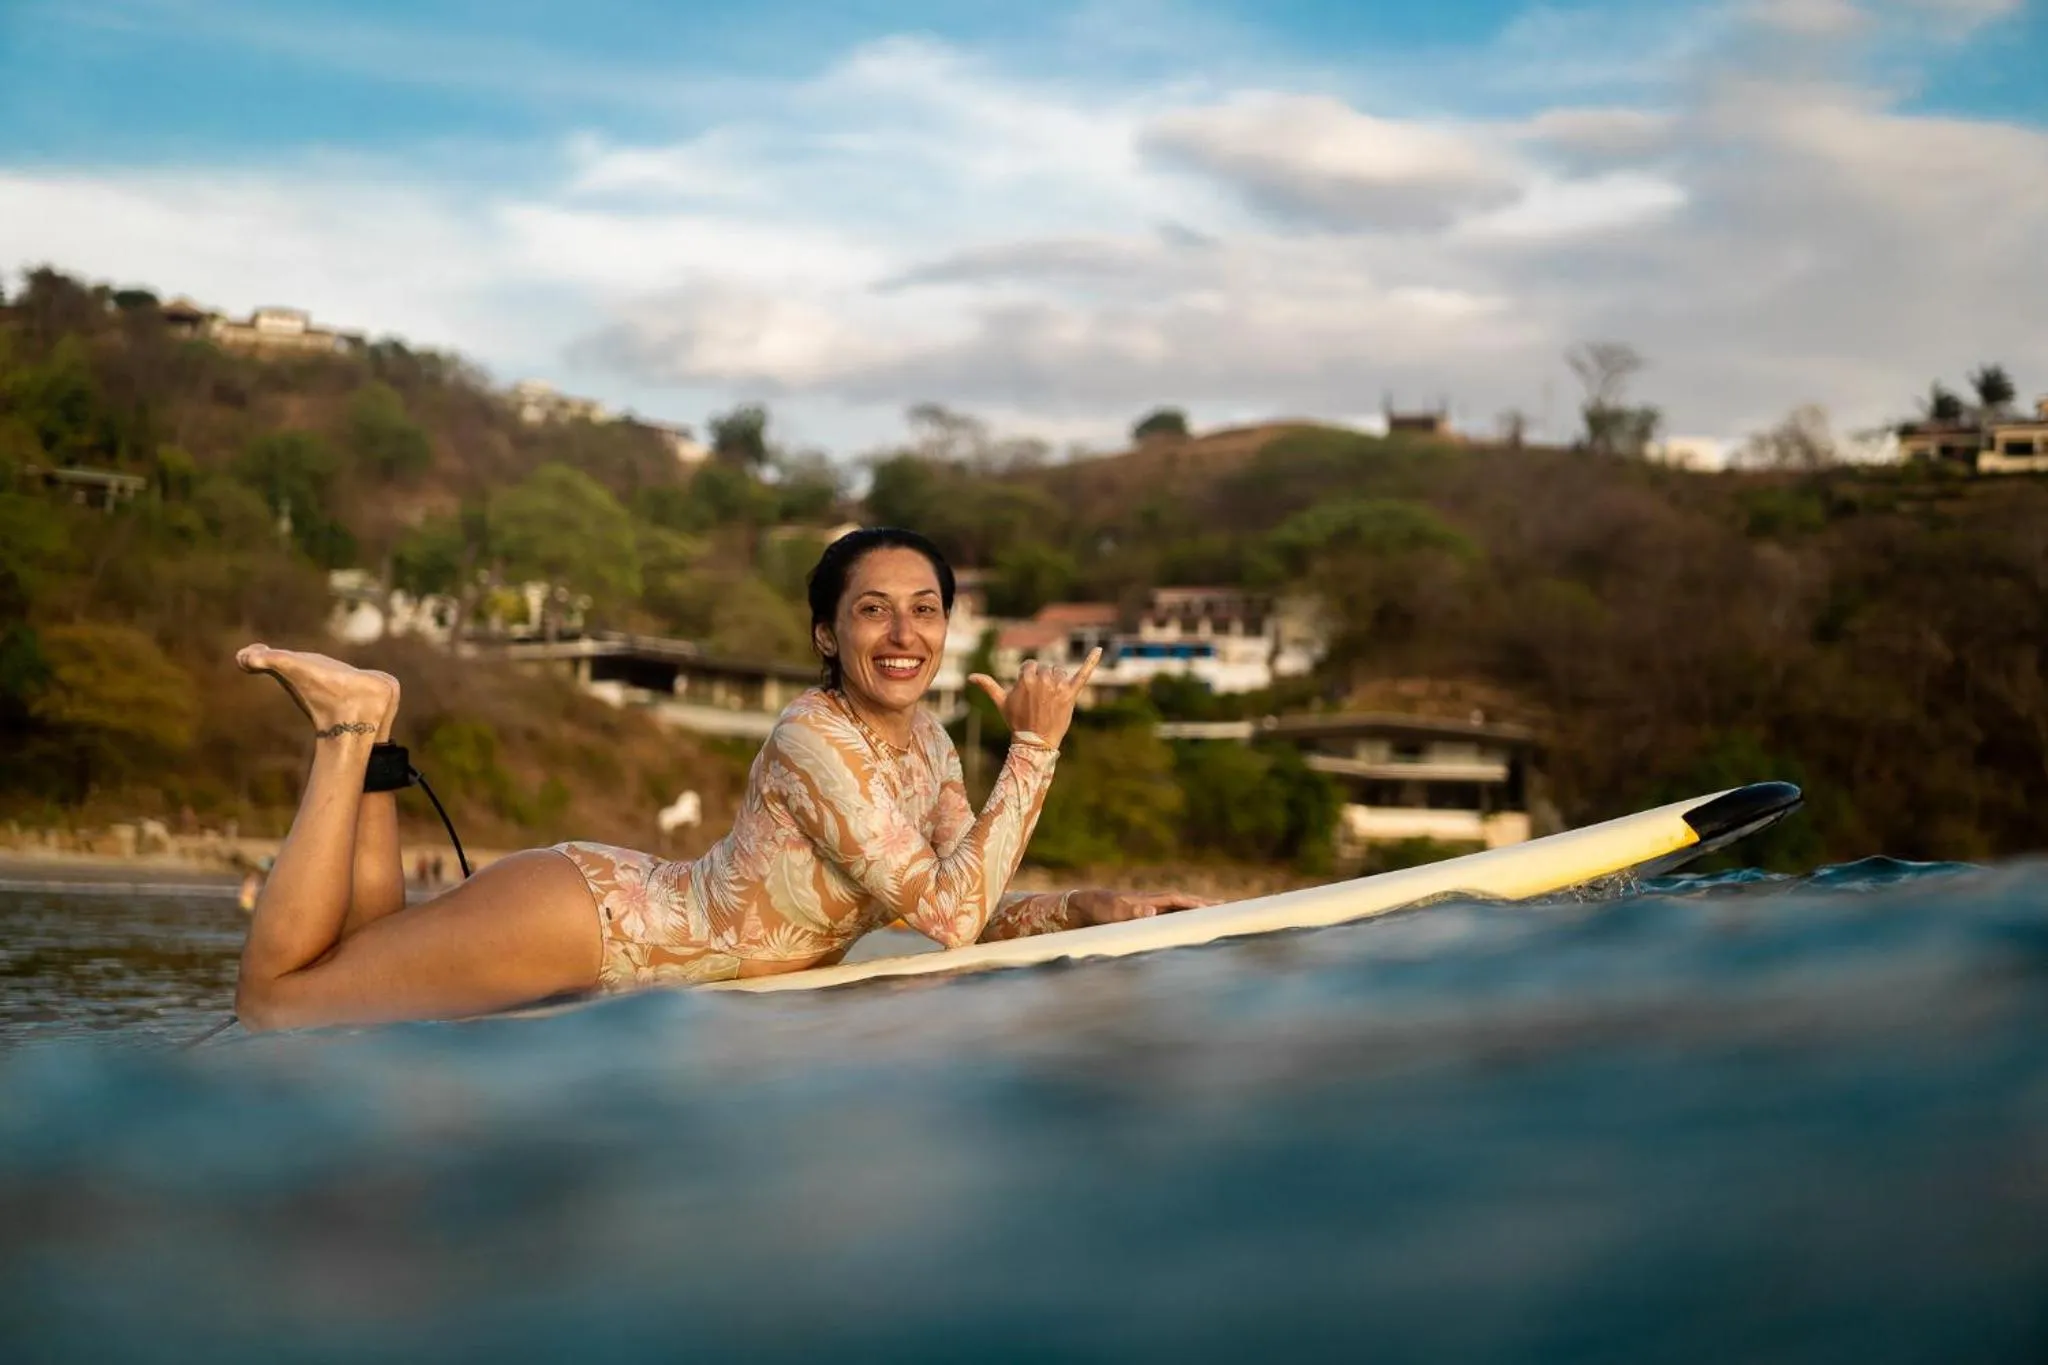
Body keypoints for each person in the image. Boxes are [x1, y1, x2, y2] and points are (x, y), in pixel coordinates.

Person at [230, 527, 1211, 1032]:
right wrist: (1035, 752)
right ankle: (348, 730)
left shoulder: (930, 752)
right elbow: (950, 920)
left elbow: (963, 900)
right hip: (588, 929)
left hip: (612, 924)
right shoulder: (812, 738)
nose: (904, 633)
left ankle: (372, 728)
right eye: (873, 610)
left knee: (357, 977)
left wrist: (1089, 908)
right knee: (278, 1008)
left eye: (924, 609)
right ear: (827, 634)